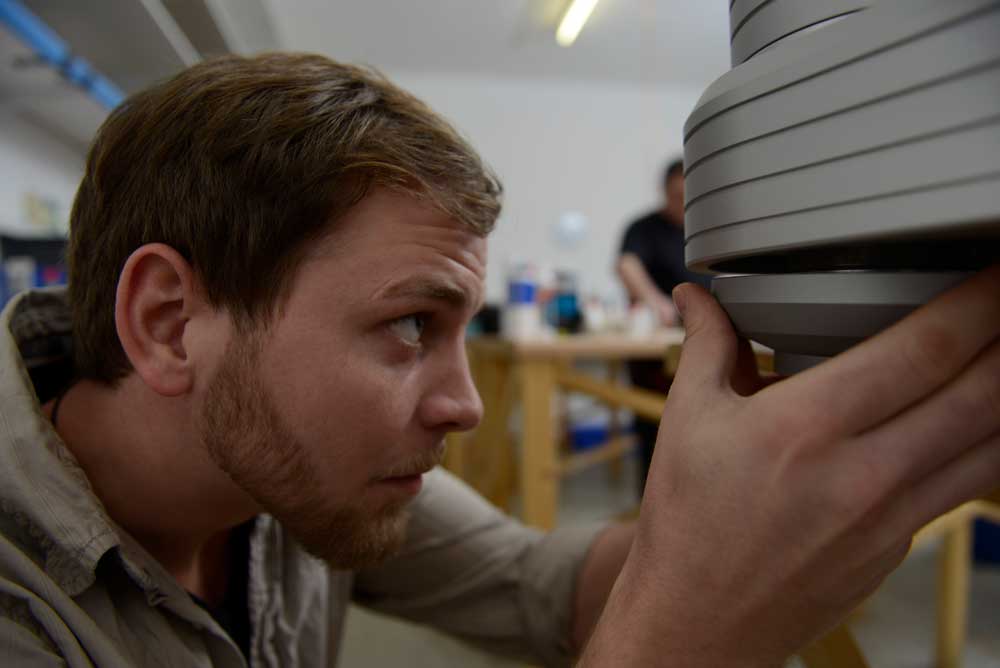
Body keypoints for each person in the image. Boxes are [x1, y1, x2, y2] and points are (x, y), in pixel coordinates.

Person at [1, 53, 998, 668]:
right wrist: (682, 636)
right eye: (407, 325)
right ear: (172, 322)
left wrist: (751, 519)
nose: (465, 405)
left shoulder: (285, 472)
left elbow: (534, 582)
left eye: (459, 327)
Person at [617, 159, 708, 495]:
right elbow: (627, 264)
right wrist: (655, 301)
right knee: (652, 426)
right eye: (675, 195)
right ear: (664, 191)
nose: (680, 204)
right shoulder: (643, 228)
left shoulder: (708, 231)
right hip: (655, 348)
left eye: (688, 196)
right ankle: (651, 500)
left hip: (703, 341)